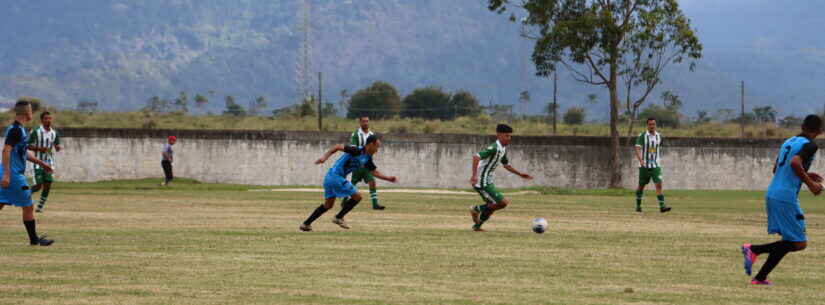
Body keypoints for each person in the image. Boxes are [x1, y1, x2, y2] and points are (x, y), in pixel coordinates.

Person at [741, 114, 823, 285]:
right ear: (819, 131)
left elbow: (776, 168)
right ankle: (753, 249)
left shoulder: (789, 141)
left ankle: (760, 278)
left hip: (773, 192)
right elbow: (794, 163)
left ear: (802, 126)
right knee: (799, 243)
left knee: (788, 241)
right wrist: (810, 184)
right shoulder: (810, 145)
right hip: (785, 197)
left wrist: (806, 174)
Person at [300, 135, 397, 232]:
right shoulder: (356, 150)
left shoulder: (367, 158)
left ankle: (306, 224)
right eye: (377, 147)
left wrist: (388, 178)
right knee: (357, 197)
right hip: (335, 177)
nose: (377, 150)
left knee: (328, 205)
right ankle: (338, 217)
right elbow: (337, 147)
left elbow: (374, 172)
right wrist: (324, 157)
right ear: (371, 144)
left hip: (330, 177)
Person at [0, 101, 55, 246]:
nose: (32, 113)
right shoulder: (16, 130)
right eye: (31, 110)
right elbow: (6, 150)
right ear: (26, 112)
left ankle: (34, 240)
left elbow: (24, 153)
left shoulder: (20, 129)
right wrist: (7, 174)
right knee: (28, 205)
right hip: (13, 175)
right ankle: (34, 240)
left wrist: (41, 163)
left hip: (9, 173)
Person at [469, 124, 533, 232]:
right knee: (502, 203)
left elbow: (506, 165)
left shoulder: (502, 149)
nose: (509, 138)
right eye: (507, 136)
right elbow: (476, 157)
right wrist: (474, 175)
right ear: (499, 135)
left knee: (493, 206)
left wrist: (520, 174)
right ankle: (476, 209)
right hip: (481, 182)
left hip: (487, 181)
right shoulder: (494, 147)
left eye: (510, 136)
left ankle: (477, 226)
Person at [633, 118, 671, 213]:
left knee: (659, 184)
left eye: (653, 124)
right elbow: (637, 148)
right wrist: (641, 160)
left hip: (655, 165)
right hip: (644, 166)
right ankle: (638, 206)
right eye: (650, 124)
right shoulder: (642, 136)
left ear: (655, 125)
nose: (652, 126)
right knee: (641, 186)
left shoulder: (659, 136)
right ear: (647, 125)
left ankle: (662, 206)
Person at [28, 111, 62, 213]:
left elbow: (57, 145)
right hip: (37, 162)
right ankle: (24, 196)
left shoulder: (54, 133)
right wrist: (39, 149)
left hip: (49, 162)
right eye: (46, 118)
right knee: (38, 185)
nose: (48, 120)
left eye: (50, 118)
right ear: (42, 120)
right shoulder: (35, 131)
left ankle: (40, 206)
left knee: (48, 183)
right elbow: (27, 145)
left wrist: (57, 147)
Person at [348, 116, 385, 210]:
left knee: (372, 182)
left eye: (367, 121)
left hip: (367, 164)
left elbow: (375, 147)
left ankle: (375, 204)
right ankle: (344, 202)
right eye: (364, 121)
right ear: (360, 122)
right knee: (351, 185)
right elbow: (353, 148)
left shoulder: (372, 134)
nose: (366, 123)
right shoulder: (356, 134)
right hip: (357, 164)